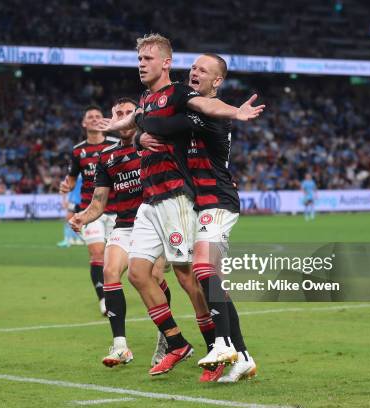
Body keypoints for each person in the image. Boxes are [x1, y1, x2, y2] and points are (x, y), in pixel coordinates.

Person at [96, 33, 264, 376]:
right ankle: (186, 344)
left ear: (166, 62)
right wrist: (132, 128)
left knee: (197, 275)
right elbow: (148, 118)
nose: (195, 72)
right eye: (139, 59)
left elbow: (199, 109)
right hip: (160, 198)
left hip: (193, 197)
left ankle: (225, 347)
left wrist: (236, 110)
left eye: (148, 59)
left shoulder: (186, 101)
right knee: (143, 273)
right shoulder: (152, 98)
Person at [136, 53, 258, 382]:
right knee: (208, 276)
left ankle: (220, 342)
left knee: (201, 269)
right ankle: (242, 356)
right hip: (199, 203)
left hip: (217, 199)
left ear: (216, 81)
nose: (194, 72)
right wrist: (137, 134)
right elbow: (152, 125)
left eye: (203, 70)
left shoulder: (207, 115)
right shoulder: (187, 110)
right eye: (192, 67)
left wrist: (235, 110)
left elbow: (161, 123)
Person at [69, 97, 171, 368]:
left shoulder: (151, 145)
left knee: (155, 276)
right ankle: (120, 346)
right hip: (124, 225)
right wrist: (81, 216)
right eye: (119, 113)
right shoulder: (107, 157)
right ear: (112, 120)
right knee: (110, 271)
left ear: (136, 116)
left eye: (129, 112)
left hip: (155, 224)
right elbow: (99, 203)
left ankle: (166, 337)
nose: (124, 117)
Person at [60, 106, 118, 316]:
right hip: (89, 210)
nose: (94, 119)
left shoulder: (115, 144)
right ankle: (104, 299)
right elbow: (71, 180)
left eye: (97, 116)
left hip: (116, 210)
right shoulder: (78, 151)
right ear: (84, 123)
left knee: (117, 260)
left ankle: (112, 290)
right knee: (96, 254)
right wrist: (66, 186)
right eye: (89, 117)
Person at [57, 175, 84, 248]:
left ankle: (75, 239)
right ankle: (70, 239)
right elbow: (63, 186)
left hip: (81, 200)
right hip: (75, 200)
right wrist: (64, 200)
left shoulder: (84, 172)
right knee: (69, 220)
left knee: (78, 221)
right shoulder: (74, 173)